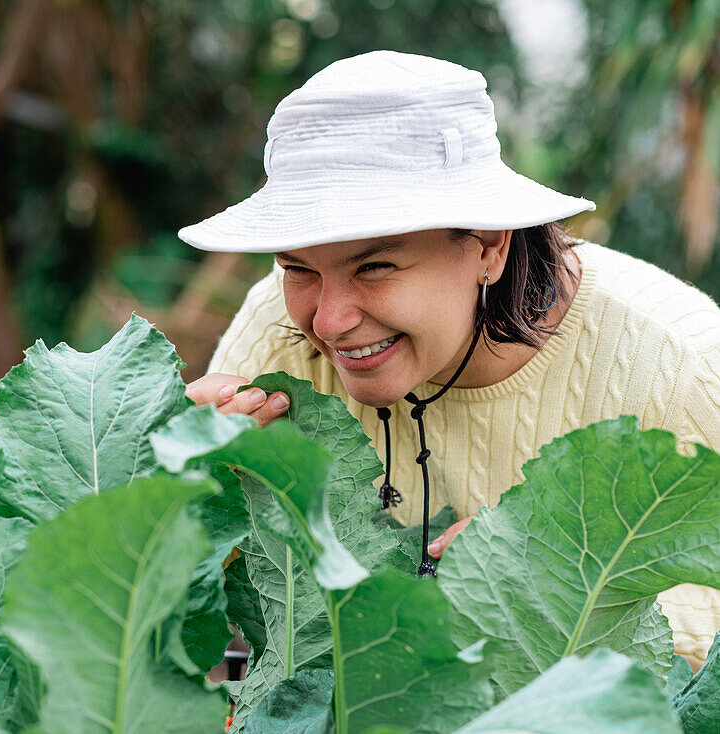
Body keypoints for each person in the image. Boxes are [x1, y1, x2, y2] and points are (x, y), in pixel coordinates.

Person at [179, 51, 720, 669]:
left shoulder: (684, 370)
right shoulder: (276, 333)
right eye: (296, 269)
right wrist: (183, 484)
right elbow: (206, 601)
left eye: (375, 267)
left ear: (489, 244)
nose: (327, 322)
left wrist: (576, 593)